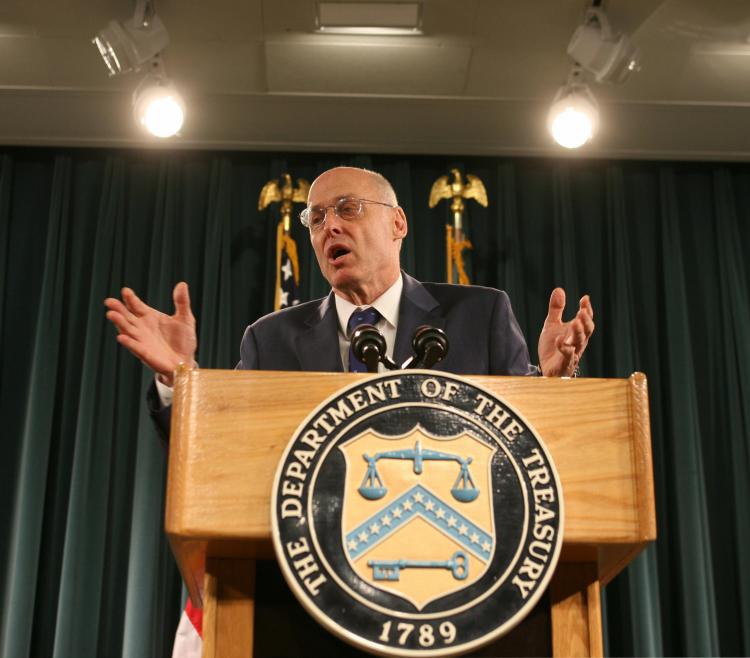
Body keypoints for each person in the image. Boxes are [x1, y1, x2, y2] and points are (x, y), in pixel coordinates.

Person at [103, 166, 594, 657]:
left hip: (459, 600)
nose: (329, 227)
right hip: (309, 610)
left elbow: (528, 456)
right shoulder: (269, 339)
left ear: (398, 223)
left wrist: (552, 385)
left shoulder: (478, 314)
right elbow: (220, 461)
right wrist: (180, 380)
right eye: (315, 218)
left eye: (347, 209)